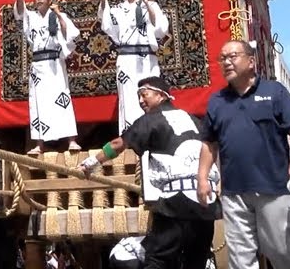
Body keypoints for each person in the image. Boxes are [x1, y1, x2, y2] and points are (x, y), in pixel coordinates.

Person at [80, 77, 218, 269]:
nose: (141, 101)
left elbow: (118, 144)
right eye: (138, 96)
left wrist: (91, 162)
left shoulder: (152, 119)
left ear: (160, 95)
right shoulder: (195, 120)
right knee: (196, 261)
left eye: (144, 95)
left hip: (176, 201)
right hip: (205, 200)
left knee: (158, 260)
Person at [197, 40, 290, 269]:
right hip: (233, 192)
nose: (227, 62)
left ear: (251, 61)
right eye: (222, 58)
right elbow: (209, 143)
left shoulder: (274, 91)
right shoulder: (217, 101)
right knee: (240, 258)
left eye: (232, 56)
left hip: (273, 188)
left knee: (280, 250)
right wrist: (202, 178)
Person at [88, 0, 169, 132]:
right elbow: (106, 21)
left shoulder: (150, 5)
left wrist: (145, 2)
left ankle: (153, 129)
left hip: (146, 58)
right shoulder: (119, 9)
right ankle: (131, 133)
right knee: (129, 95)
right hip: (127, 57)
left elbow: (160, 28)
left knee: (151, 92)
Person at [11, 0, 81, 155]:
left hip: (55, 63)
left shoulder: (58, 15)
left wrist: (58, 14)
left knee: (62, 99)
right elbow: (20, 10)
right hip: (39, 65)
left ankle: (71, 140)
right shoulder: (31, 17)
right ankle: (39, 144)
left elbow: (69, 35)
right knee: (38, 103)